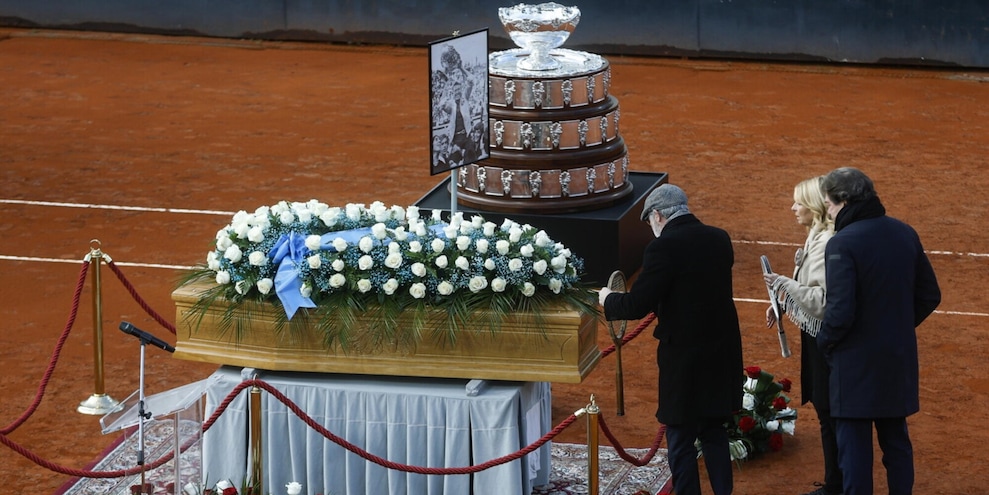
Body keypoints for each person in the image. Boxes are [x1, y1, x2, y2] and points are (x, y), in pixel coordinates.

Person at [599, 183, 743, 495]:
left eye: (650, 220)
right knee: (714, 432)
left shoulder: (663, 248)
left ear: (659, 215)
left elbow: (637, 305)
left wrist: (608, 299)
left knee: (679, 437)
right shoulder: (720, 239)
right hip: (721, 353)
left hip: (684, 359)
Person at [818, 167, 941, 495]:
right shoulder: (905, 233)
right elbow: (930, 295)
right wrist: (895, 325)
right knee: (896, 442)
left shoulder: (842, 243)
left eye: (828, 204)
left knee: (854, 450)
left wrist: (825, 342)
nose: (827, 212)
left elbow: (841, 313)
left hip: (854, 365)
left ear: (844, 201)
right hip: (896, 359)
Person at [764, 176, 842, 495]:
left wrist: (785, 285)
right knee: (827, 412)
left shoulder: (826, 242)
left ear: (812, 206)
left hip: (826, 342)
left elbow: (822, 301)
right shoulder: (816, 233)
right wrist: (784, 304)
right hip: (818, 338)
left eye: (798, 202)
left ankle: (837, 485)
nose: (793, 207)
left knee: (829, 413)